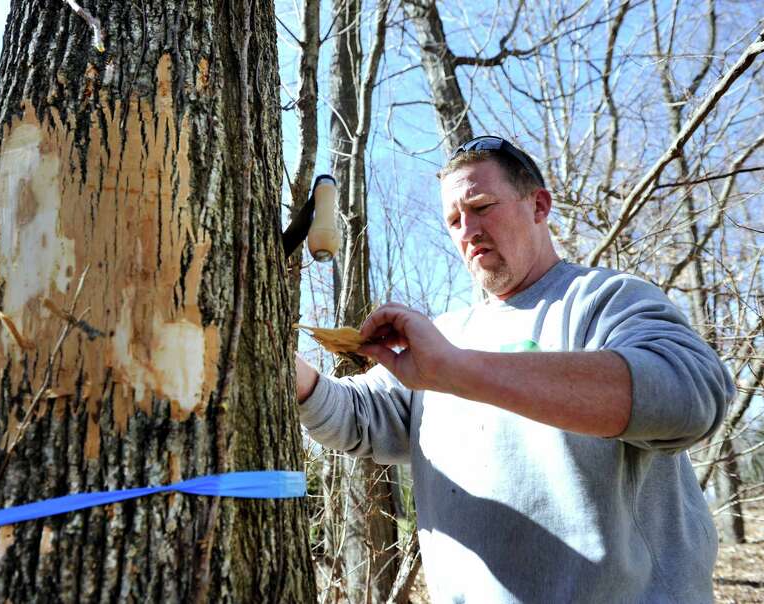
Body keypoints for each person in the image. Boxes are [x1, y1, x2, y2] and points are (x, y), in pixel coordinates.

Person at [295, 136, 735, 603]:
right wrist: (288, 371)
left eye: (481, 206)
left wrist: (458, 370)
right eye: (452, 220)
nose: (467, 229)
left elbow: (689, 397)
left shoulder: (605, 300)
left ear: (539, 205)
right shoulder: (445, 337)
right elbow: (356, 414)